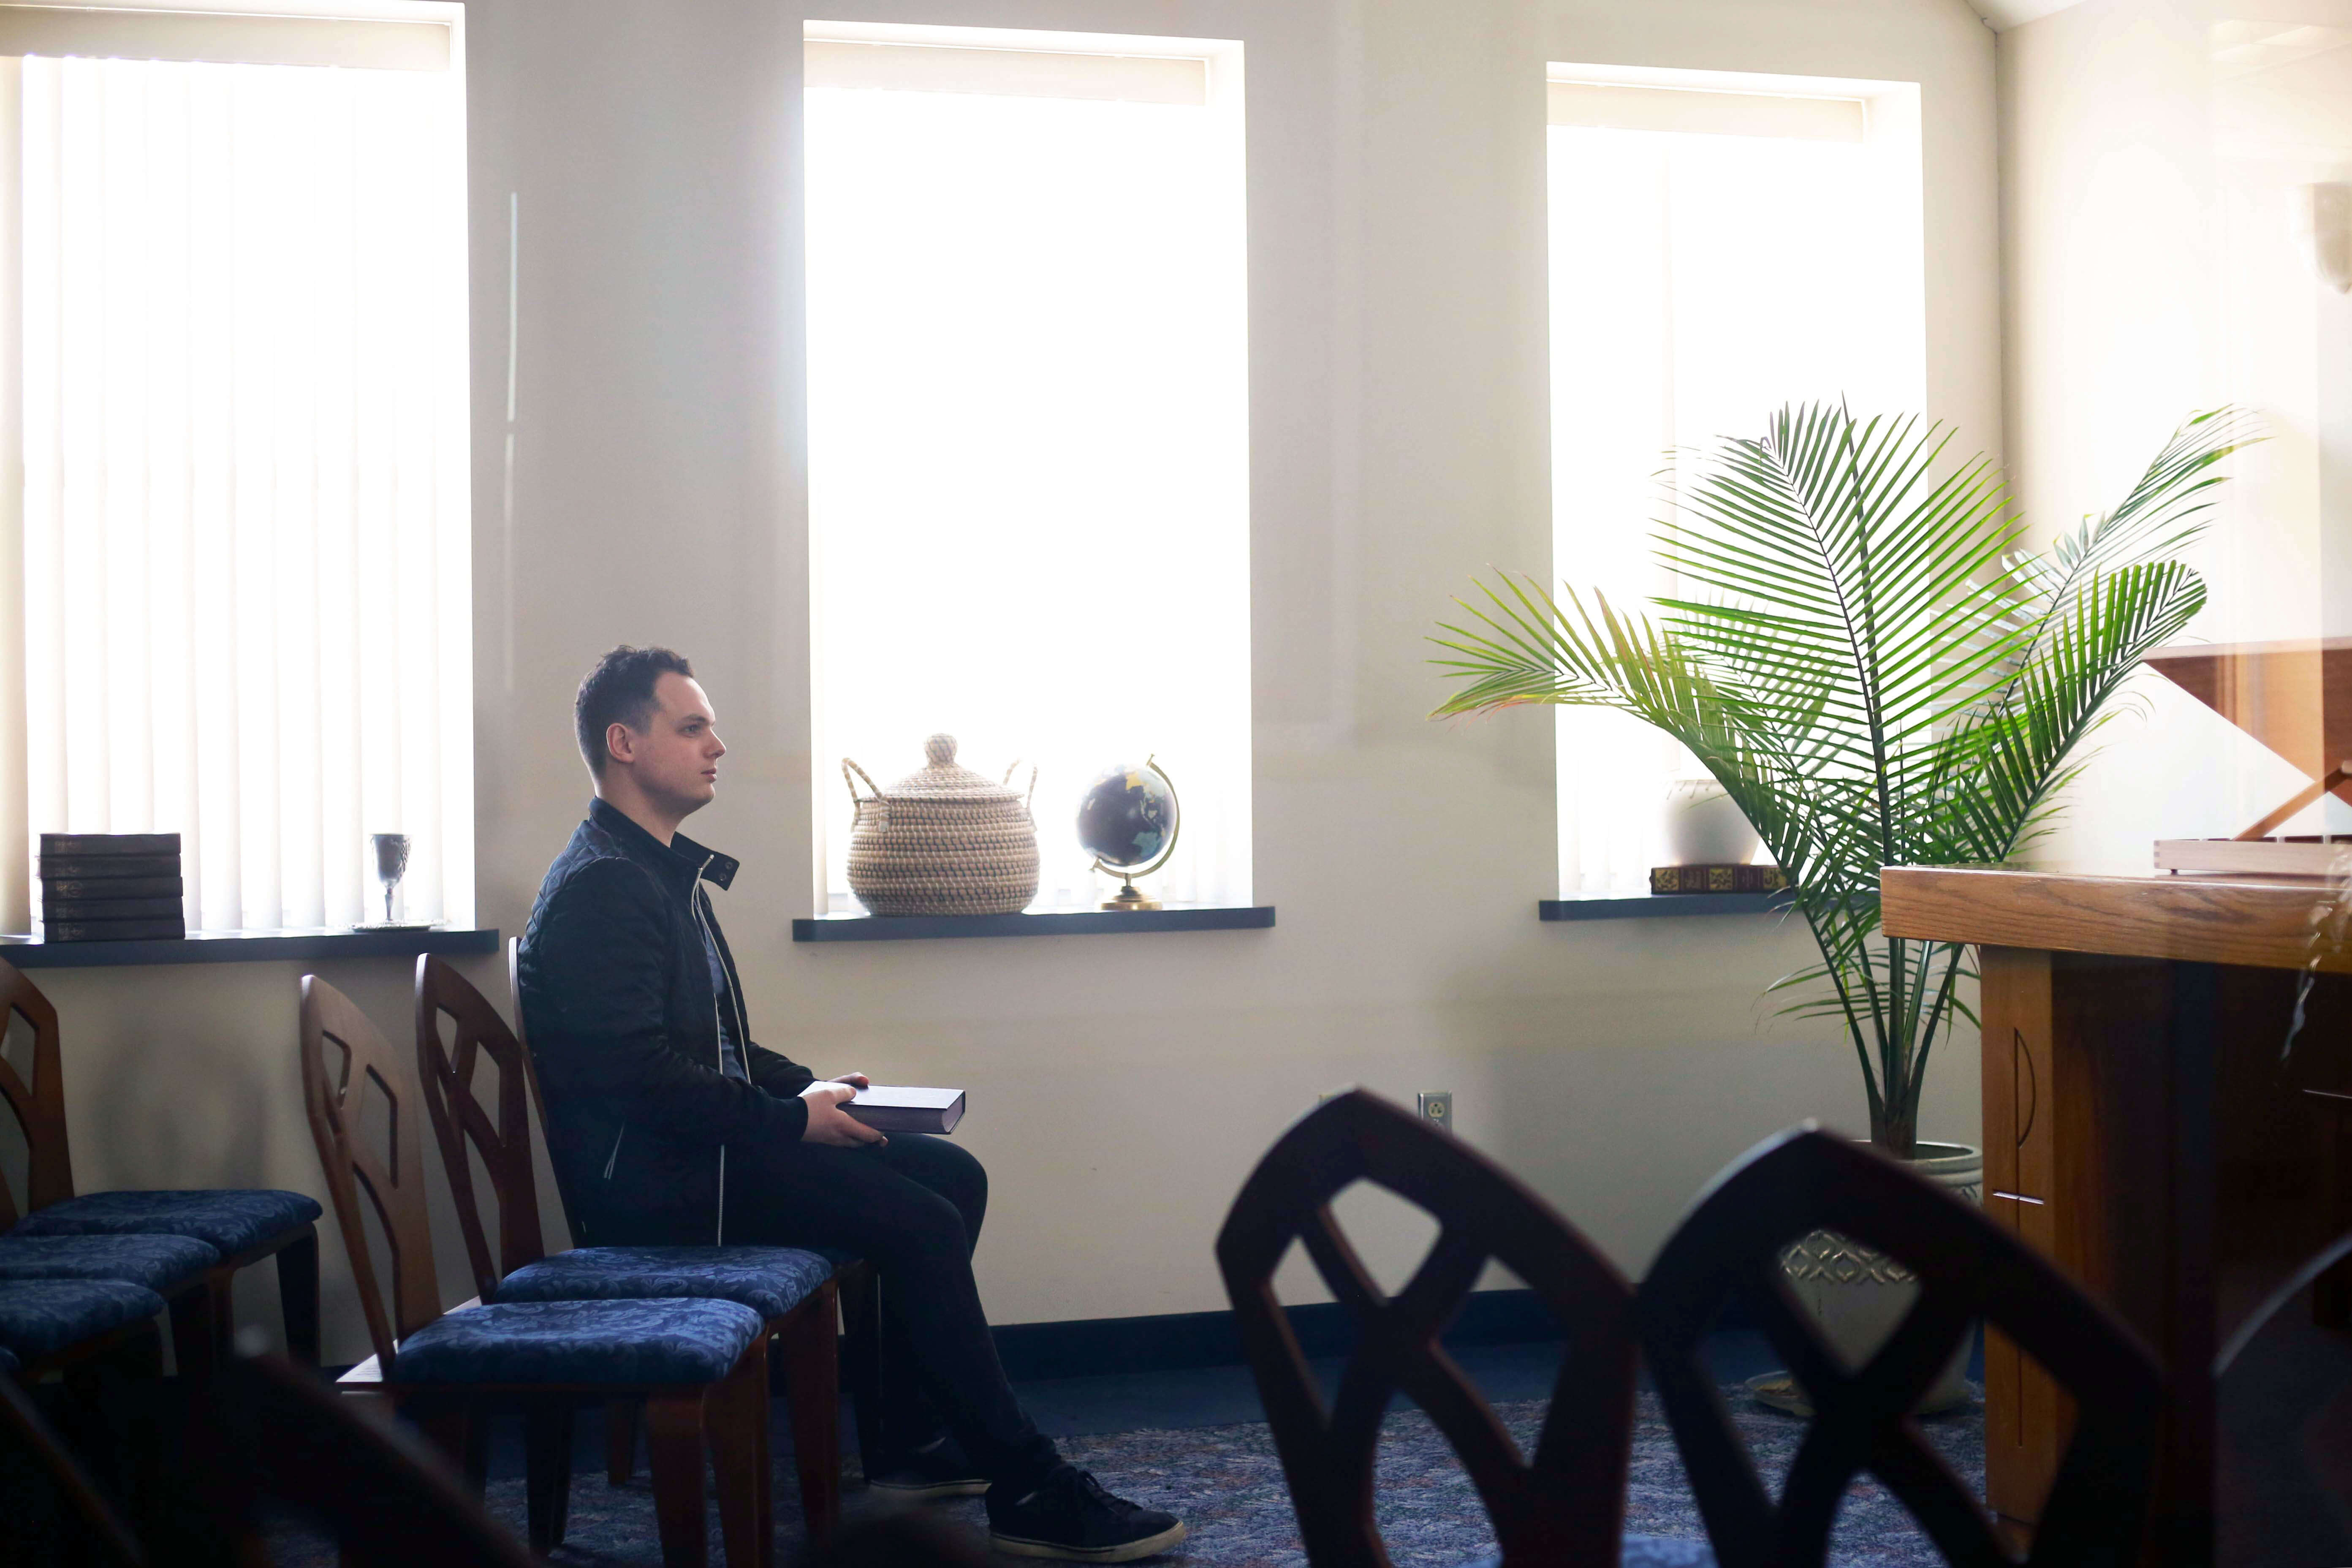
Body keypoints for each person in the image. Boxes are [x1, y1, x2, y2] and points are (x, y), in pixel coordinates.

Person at [516, 646, 1185, 1564]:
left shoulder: (648, 870)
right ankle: (1027, 1483)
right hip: (669, 1192)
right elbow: (637, 1080)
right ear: (623, 743)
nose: (719, 743)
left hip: (698, 1159)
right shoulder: (607, 887)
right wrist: (796, 1122)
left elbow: (716, 1052)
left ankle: (910, 1447)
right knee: (919, 1221)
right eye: (692, 725)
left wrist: (813, 1088)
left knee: (949, 1173)